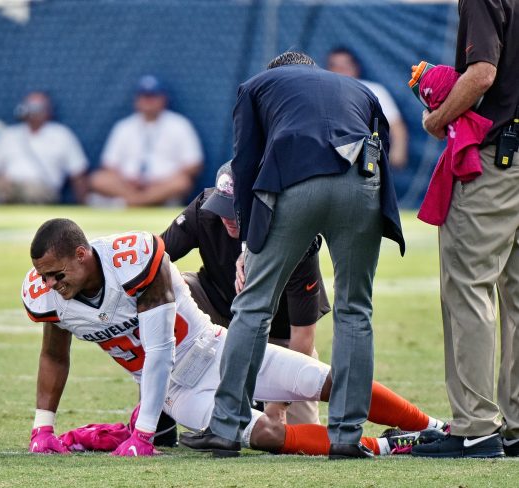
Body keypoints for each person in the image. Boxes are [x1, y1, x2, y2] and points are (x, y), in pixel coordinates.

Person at [22, 218, 442, 458]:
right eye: (44, 276)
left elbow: (161, 349)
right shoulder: (51, 296)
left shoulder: (131, 260)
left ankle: (437, 428)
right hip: (179, 393)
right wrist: (44, 428)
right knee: (267, 436)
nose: (51, 284)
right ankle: (390, 447)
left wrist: (144, 435)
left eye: (57, 274)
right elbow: (53, 357)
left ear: (82, 254)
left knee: (330, 381)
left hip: (216, 350)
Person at [180, 52, 404, 460]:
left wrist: (247, 246)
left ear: (275, 75)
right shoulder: (359, 88)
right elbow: (381, 147)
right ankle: (347, 436)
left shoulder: (257, 88)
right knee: (355, 311)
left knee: (253, 307)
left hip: (295, 183)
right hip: (362, 183)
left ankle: (227, 427)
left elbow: (245, 164)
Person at [412, 0, 519, 459]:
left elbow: (481, 74)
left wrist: (438, 119)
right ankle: (514, 426)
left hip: (498, 161)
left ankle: (476, 426)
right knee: (516, 297)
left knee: (468, 285)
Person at [161, 160, 331, 426]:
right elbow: (154, 258)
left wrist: (278, 406)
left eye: (236, 210)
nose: (227, 217)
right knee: (166, 288)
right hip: (216, 313)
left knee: (301, 434)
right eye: (222, 208)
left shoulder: (297, 238)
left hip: (280, 336)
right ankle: (161, 416)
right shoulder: (204, 211)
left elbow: (302, 337)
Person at [89, 75, 203, 207]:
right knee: (98, 179)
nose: (148, 101)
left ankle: (133, 203)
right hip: (127, 184)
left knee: (182, 182)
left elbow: (194, 164)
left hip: (162, 185)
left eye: (152, 97)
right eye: (144, 97)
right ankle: (144, 202)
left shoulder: (179, 124)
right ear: (137, 100)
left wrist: (159, 180)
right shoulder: (124, 126)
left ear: (163, 99)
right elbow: (109, 164)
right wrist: (128, 181)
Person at [0, 92, 88, 204]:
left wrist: (84, 205)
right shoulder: (9, 134)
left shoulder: (61, 134)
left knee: (30, 191)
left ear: (48, 110)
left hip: (43, 190)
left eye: (37, 107)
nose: (33, 111)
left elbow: (78, 173)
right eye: (29, 106)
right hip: (8, 187)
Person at [327, 47, 408, 169]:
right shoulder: (322, 93)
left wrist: (396, 156)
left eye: (345, 65)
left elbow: (397, 127)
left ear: (355, 67)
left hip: (365, 164)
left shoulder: (373, 91)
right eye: (335, 66)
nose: (340, 70)